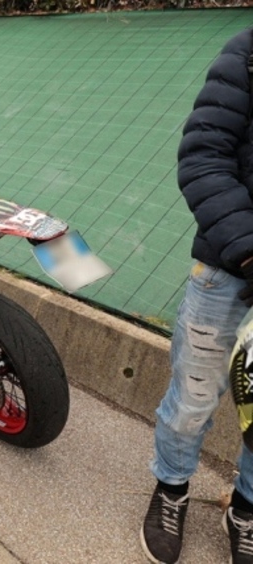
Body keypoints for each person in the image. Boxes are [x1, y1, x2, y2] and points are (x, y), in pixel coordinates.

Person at [140, 27, 253, 564]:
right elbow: (202, 158)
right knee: (192, 401)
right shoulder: (246, 57)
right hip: (229, 270)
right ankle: (172, 487)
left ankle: (246, 509)